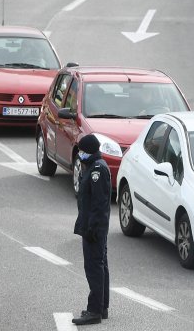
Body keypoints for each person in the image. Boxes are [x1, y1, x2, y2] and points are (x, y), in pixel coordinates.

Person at [72, 134, 111, 325]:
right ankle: (102, 307)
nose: (80, 154)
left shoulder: (97, 170)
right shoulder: (93, 166)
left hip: (93, 228)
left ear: (89, 151)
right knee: (100, 265)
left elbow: (98, 203)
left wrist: (92, 228)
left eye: (81, 150)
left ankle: (94, 310)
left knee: (94, 268)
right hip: (93, 226)